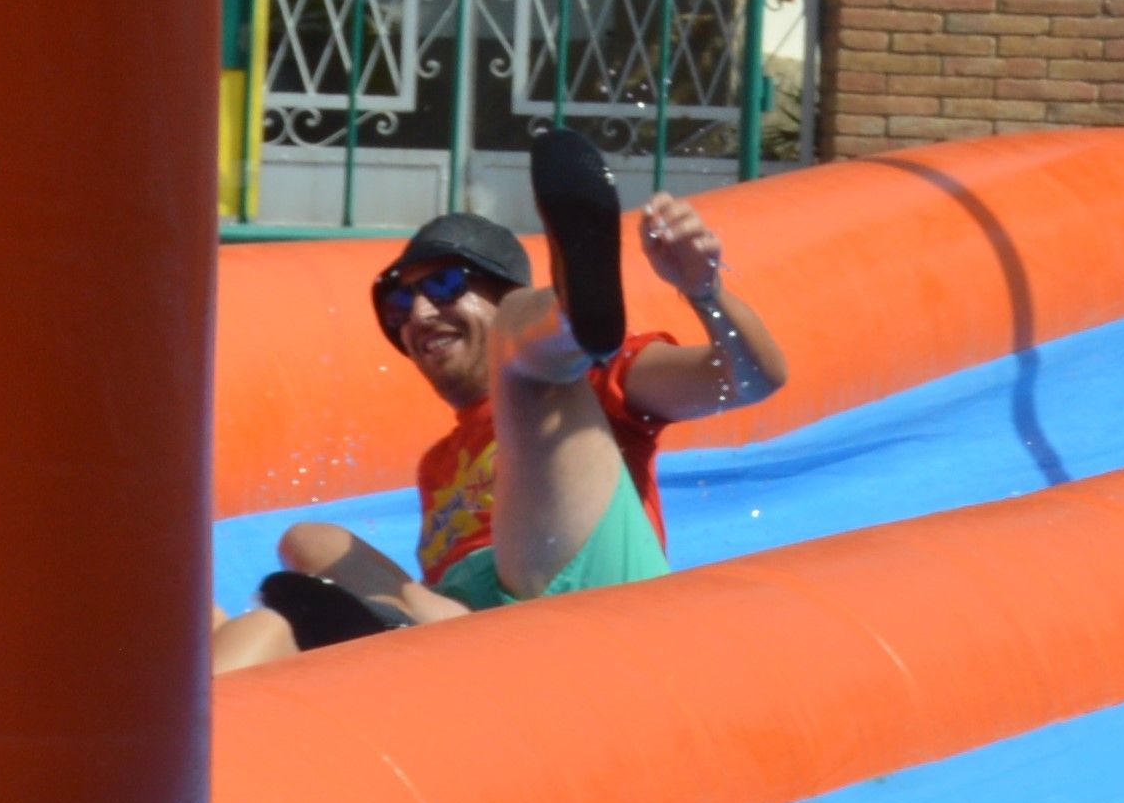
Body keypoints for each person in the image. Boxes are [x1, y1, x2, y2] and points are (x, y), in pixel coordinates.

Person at [206, 183, 790, 671]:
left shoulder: (596, 380)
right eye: (396, 307)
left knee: (522, 354)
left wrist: (704, 291)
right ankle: (390, 633)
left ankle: (567, 312)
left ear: (504, 290)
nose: (417, 314)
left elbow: (749, 380)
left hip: (590, 606)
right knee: (310, 541)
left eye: (441, 286)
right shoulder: (440, 464)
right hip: (475, 639)